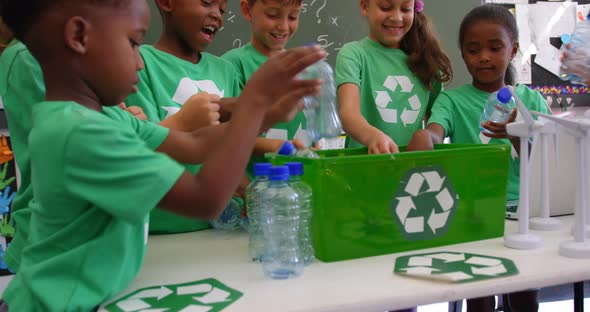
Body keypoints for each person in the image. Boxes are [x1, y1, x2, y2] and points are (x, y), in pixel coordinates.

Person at [0, 0, 324, 310]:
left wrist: (267, 113)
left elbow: (195, 142)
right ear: (79, 37)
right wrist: (253, 104)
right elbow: (205, 198)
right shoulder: (79, 134)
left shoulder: (96, 118)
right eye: (133, 42)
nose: (140, 61)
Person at [406, 4, 550, 312]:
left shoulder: (531, 100)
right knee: (479, 297)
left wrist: (516, 133)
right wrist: (425, 138)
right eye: (473, 50)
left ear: (513, 50)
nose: (483, 56)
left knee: (524, 297)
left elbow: (548, 163)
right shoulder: (452, 100)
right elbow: (435, 130)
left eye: (494, 48)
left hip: (523, 213)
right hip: (472, 214)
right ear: (463, 54)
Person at [124, 0, 248, 234]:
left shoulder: (226, 71)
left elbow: (231, 146)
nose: (217, 15)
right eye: (207, 3)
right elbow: (141, 149)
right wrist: (185, 122)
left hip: (218, 230)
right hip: (156, 232)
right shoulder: (139, 65)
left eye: (222, 9)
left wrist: (246, 188)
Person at [336, 0, 452, 154]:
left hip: (412, 170)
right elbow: (348, 114)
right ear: (365, 6)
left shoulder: (427, 60)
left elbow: (437, 121)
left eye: (405, 9)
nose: (397, 17)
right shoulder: (353, 54)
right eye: (386, 7)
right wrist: (373, 138)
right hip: (363, 168)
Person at [223, 0, 309, 146]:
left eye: (293, 17)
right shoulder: (231, 65)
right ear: (247, 10)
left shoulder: (301, 67)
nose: (283, 27)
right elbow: (225, 133)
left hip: (302, 167)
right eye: (272, 15)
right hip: (253, 169)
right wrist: (279, 147)